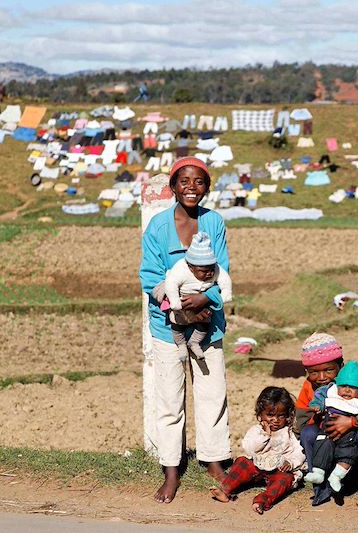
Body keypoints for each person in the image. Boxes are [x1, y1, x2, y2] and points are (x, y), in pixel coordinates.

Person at [139, 156, 231, 504]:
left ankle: (214, 461)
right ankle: (171, 469)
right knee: (170, 400)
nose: (192, 188)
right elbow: (150, 275)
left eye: (199, 182)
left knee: (212, 393)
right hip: (168, 324)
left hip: (208, 321)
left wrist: (203, 298)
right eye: (184, 181)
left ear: (207, 187)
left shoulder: (215, 222)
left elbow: (221, 270)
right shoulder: (158, 228)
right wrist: (177, 300)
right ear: (173, 186)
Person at [294, 333, 358, 507]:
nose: (321, 377)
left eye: (328, 370)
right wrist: (324, 418)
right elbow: (301, 424)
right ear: (307, 372)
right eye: (314, 372)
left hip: (357, 447)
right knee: (308, 433)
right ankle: (321, 487)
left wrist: (351, 423)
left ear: (340, 366)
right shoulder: (309, 388)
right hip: (327, 446)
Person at [211, 387, 305, 514]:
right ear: (260, 414)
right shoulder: (257, 430)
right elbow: (249, 449)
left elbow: (299, 452)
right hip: (256, 467)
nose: (276, 420)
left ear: (288, 415)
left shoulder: (289, 433)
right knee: (242, 462)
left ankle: (262, 501)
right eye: (270, 415)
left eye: (281, 415)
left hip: (278, 471)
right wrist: (265, 435)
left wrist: (291, 463)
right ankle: (225, 490)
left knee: (286, 480)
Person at [153, 231, 233, 361]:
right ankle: (181, 345)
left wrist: (223, 295)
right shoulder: (180, 270)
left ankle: (194, 343)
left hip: (203, 305)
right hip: (182, 302)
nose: (209, 274)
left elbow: (224, 279)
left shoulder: (215, 270)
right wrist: (175, 302)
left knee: (205, 321)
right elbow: (171, 284)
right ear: (191, 267)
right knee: (177, 324)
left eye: (211, 269)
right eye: (204, 271)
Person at [304, 361, 358, 492]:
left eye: (353, 387)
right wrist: (317, 406)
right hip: (328, 431)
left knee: (347, 453)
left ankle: (336, 476)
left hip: (349, 434)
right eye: (343, 386)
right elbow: (318, 397)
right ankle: (318, 475)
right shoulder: (330, 390)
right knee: (322, 446)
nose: (347, 390)